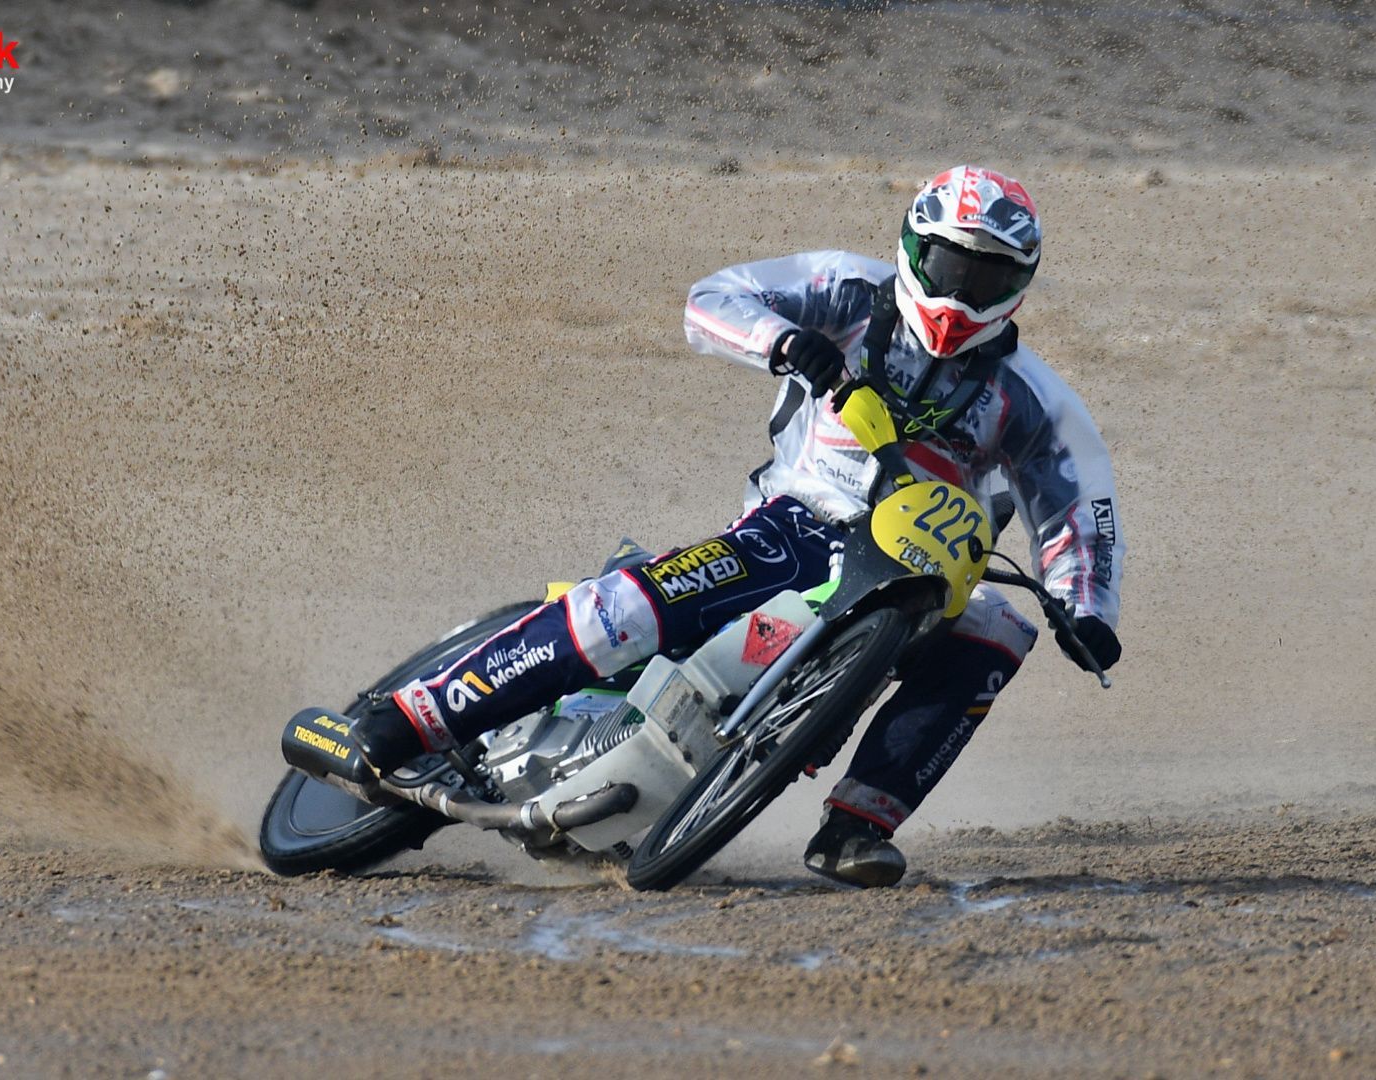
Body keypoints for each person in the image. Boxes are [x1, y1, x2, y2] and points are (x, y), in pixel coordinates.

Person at [352, 166, 1125, 887]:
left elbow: (1079, 507)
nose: (961, 294)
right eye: (951, 268)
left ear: (1017, 286)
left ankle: (856, 827)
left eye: (985, 278)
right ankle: (427, 712)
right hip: (801, 517)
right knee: (636, 604)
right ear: (914, 248)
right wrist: (781, 341)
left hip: (923, 571)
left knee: (999, 630)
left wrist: (1087, 611)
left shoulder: (1036, 400)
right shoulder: (848, 288)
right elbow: (712, 300)